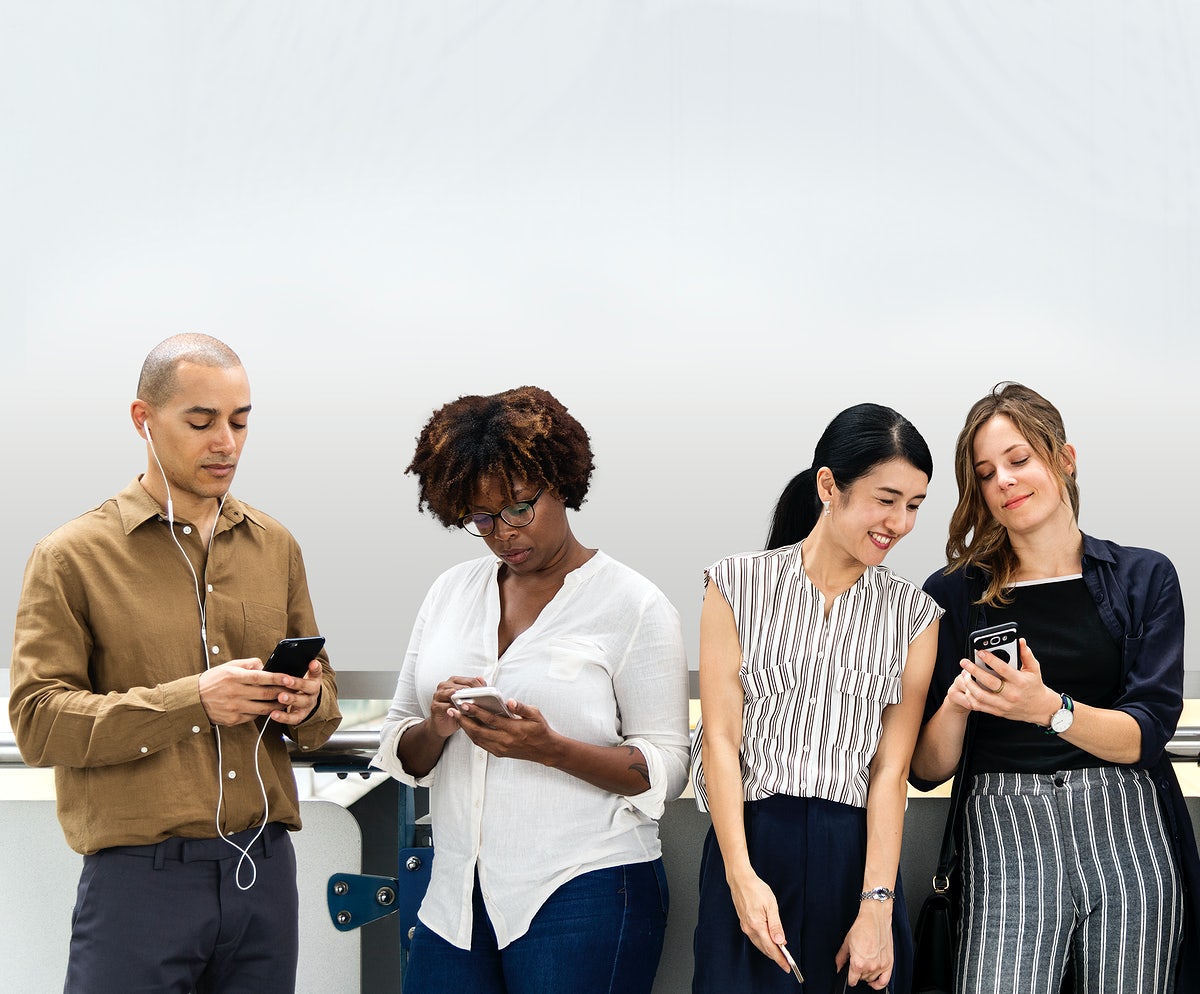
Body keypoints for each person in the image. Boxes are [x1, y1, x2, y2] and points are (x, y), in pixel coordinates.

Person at [9, 333, 342, 994]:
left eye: (240, 421)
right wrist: (193, 699)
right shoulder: (70, 555)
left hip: (265, 877)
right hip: (139, 885)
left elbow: (321, 697)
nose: (226, 442)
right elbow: (37, 721)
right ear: (143, 419)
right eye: (201, 421)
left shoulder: (277, 546)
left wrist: (308, 704)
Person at [371, 385, 690, 994]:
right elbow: (401, 747)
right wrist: (435, 727)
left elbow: (668, 767)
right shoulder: (448, 593)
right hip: (455, 900)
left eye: (520, 507)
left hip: (585, 889)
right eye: (481, 518)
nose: (503, 532)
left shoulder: (633, 604)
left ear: (562, 485)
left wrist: (547, 747)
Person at [909, 381, 1200, 993]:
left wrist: (1049, 710)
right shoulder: (953, 593)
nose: (1005, 482)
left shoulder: (1145, 577)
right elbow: (928, 769)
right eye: (986, 473)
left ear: (1064, 459)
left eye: (1020, 460)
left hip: (1128, 830)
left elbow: (1145, 735)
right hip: (1005, 829)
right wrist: (962, 703)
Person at [691, 403, 942, 993]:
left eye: (914, 506)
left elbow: (891, 768)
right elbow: (720, 740)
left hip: (857, 862)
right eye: (886, 499)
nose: (900, 523)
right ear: (828, 485)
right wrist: (740, 878)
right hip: (750, 846)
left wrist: (877, 905)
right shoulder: (734, 584)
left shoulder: (917, 616)